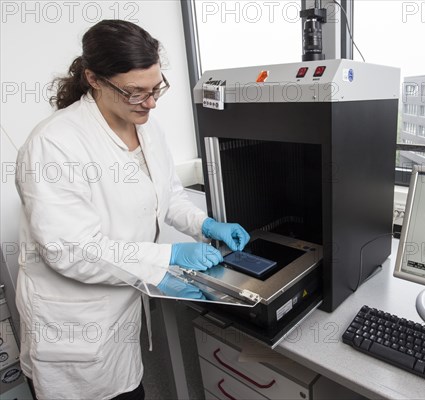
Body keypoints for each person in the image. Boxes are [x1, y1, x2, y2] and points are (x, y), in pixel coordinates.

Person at [14, 20, 250, 399]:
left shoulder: (146, 127)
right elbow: (71, 249)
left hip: (120, 307)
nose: (152, 102)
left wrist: (204, 224)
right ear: (94, 79)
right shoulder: (54, 145)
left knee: (128, 388)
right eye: (136, 92)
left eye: (156, 88)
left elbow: (167, 194)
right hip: (74, 325)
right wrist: (168, 256)